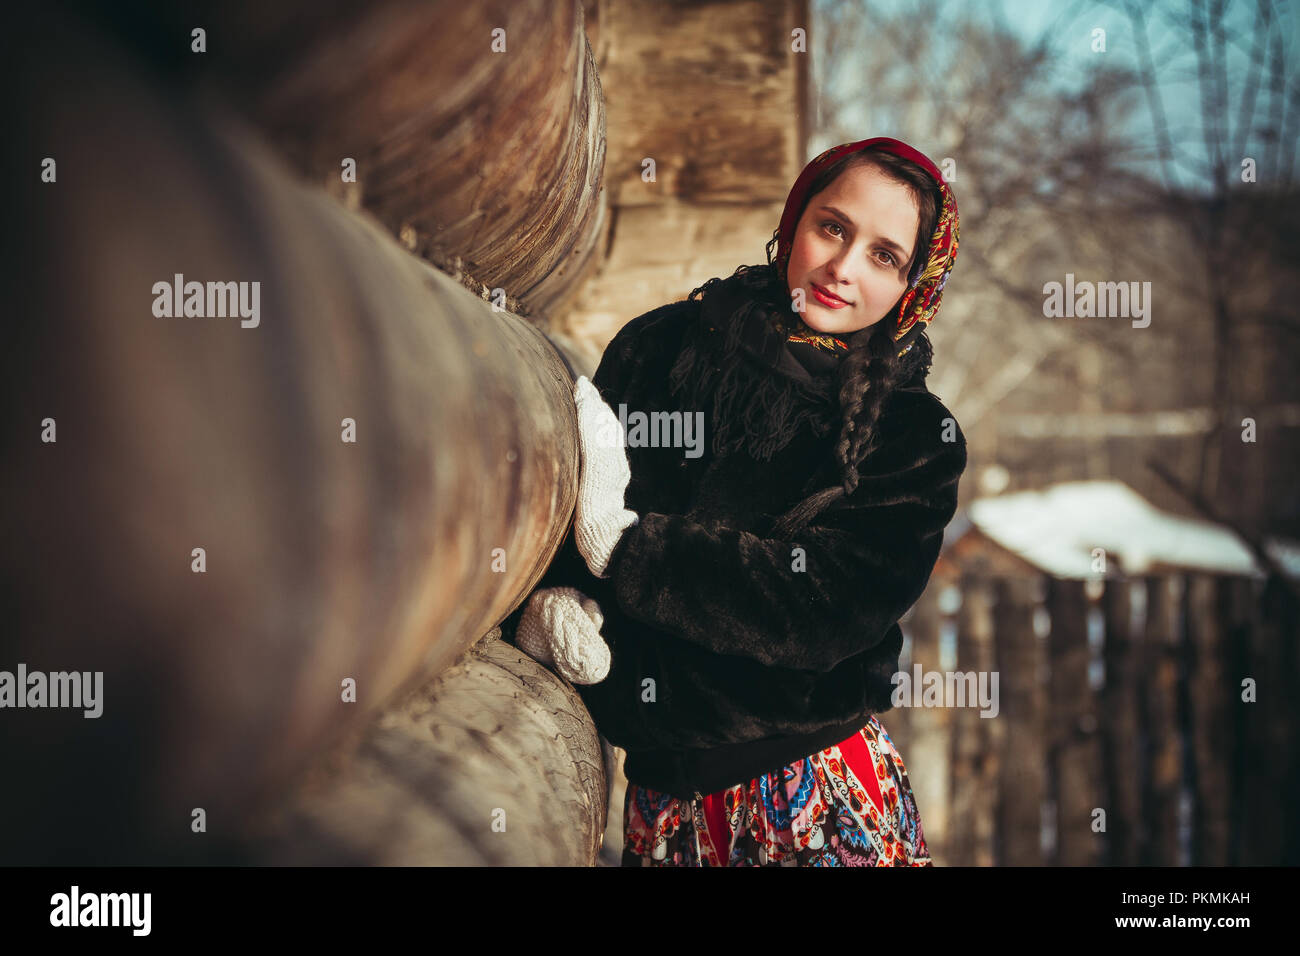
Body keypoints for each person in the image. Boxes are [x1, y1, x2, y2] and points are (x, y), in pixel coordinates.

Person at [508, 136, 964, 866]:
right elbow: (574, 511)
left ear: (913, 286)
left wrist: (630, 550)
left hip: (817, 795)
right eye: (834, 227)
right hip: (661, 807)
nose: (843, 269)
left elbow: (819, 611)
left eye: (885, 256)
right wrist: (565, 617)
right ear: (795, 219)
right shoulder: (660, 348)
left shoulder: (912, 435)